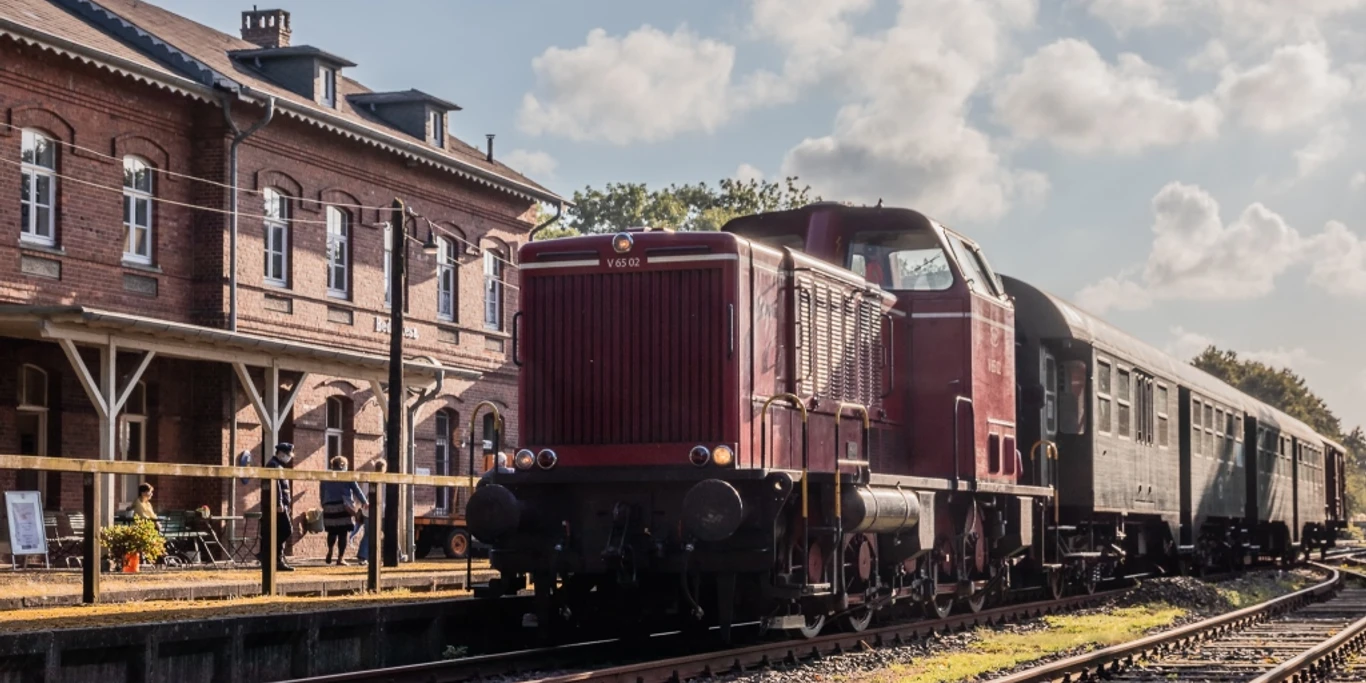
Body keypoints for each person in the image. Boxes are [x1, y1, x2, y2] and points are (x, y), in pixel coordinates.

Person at [321, 456, 367, 565]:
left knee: (332, 531)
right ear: (343, 465)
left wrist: (323, 503)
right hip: (343, 506)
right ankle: (340, 558)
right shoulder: (347, 475)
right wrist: (364, 502)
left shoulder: (325, 476)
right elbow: (357, 490)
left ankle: (330, 549)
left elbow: (322, 491)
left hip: (329, 505)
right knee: (343, 533)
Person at [262, 442, 297, 571]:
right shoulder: (273, 465)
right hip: (276, 506)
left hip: (282, 505)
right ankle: (269, 554)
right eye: (288, 455)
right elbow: (275, 486)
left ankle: (277, 560)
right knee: (286, 530)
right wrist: (278, 503)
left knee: (280, 531)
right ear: (281, 454)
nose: (289, 457)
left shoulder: (278, 465)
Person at [352, 459, 386, 566]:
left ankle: (363, 556)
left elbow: (363, 494)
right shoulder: (386, 480)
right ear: (384, 468)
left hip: (367, 510)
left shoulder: (368, 479)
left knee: (368, 534)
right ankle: (396, 554)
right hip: (382, 511)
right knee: (389, 533)